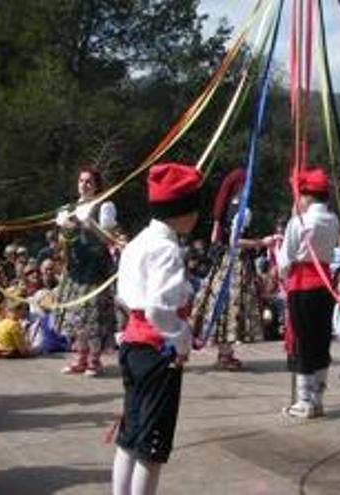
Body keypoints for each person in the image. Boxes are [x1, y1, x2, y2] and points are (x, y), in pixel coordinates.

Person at [112, 162, 201, 495]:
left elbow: (125, 295)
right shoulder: (166, 250)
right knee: (152, 446)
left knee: (130, 435)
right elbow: (159, 310)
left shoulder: (137, 242)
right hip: (156, 350)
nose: (196, 216)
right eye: (192, 208)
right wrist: (181, 341)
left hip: (133, 346)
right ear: (180, 211)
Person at [190, 168, 275, 370]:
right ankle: (225, 354)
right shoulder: (242, 210)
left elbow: (214, 238)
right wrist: (262, 242)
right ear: (240, 186)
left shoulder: (224, 208)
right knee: (231, 306)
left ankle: (224, 353)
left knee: (224, 305)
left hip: (223, 262)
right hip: (236, 263)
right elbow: (234, 241)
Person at [278, 167, 340, 419]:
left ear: (307, 196)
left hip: (302, 285)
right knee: (321, 340)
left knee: (303, 341)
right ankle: (318, 399)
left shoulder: (300, 221)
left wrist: (283, 275)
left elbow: (285, 259)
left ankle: (304, 401)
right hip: (325, 284)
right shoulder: (333, 220)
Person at [54, 166, 118, 377]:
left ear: (97, 185)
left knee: (93, 316)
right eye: (81, 181)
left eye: (89, 181)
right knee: (76, 316)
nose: (84, 184)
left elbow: (111, 240)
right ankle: (80, 358)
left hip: (95, 268)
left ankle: (94, 361)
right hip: (75, 268)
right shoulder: (69, 208)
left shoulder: (104, 206)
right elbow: (63, 242)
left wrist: (91, 225)